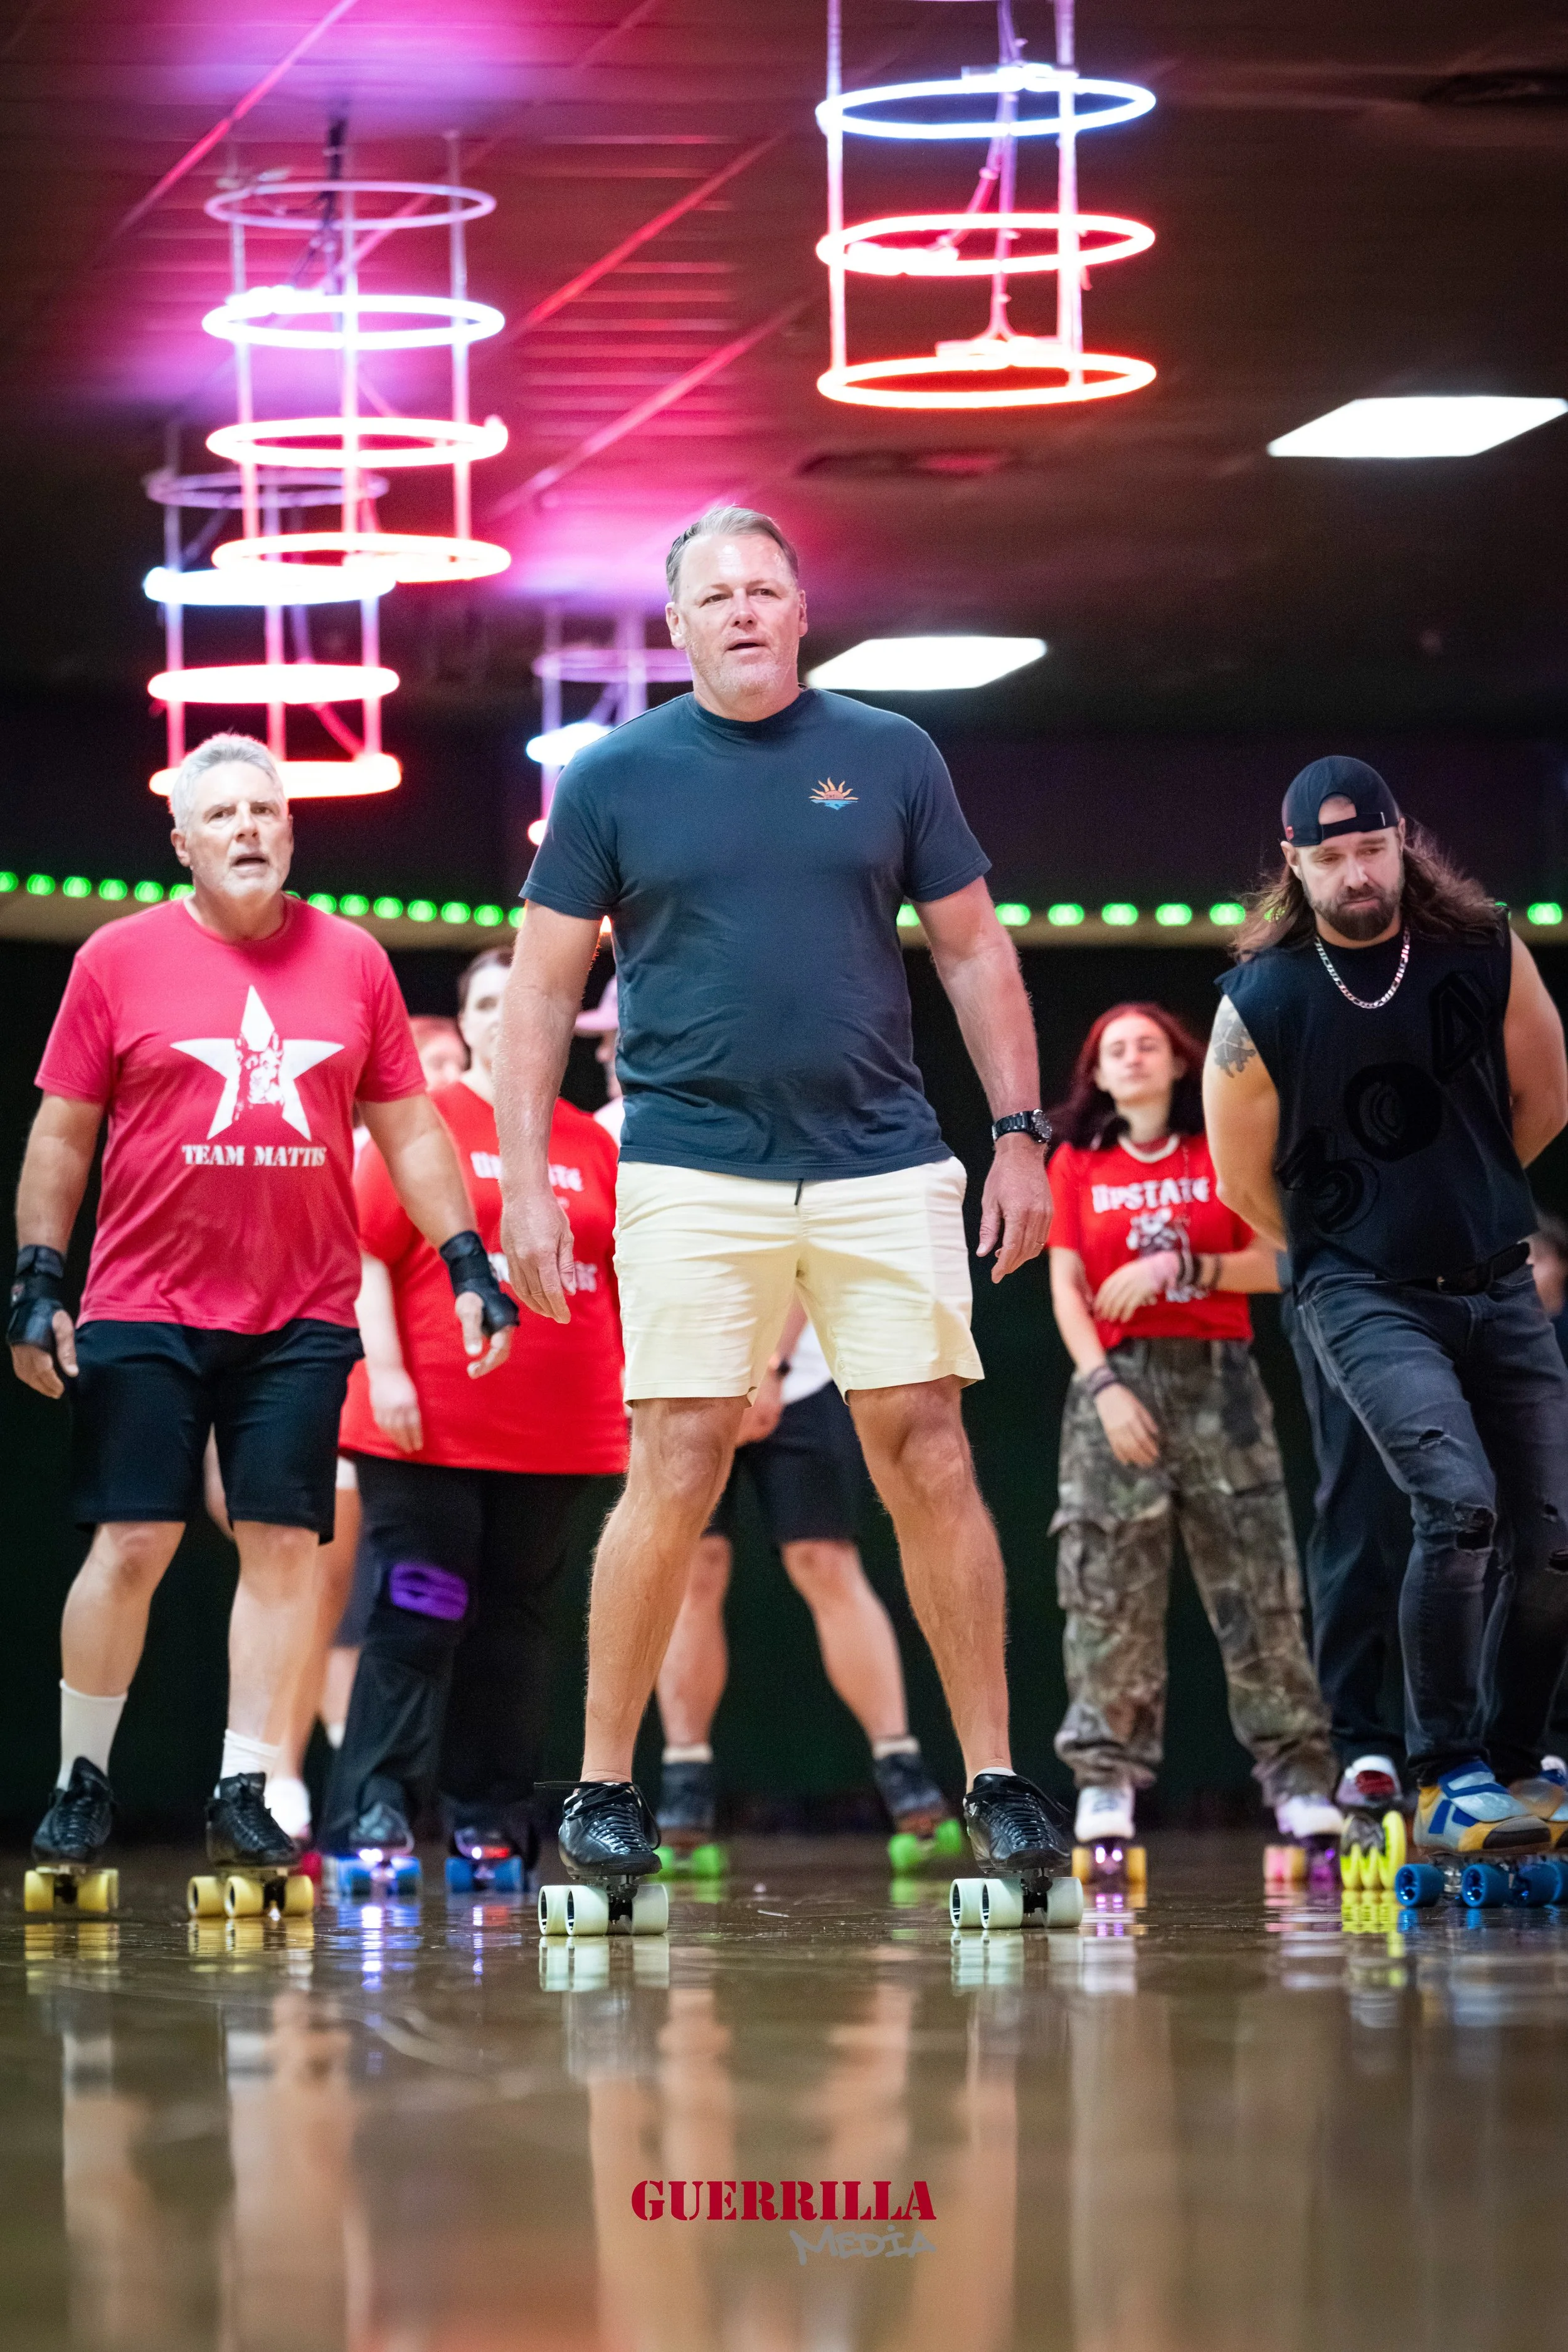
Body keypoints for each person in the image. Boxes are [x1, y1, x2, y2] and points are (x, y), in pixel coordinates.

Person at [495, 502, 1068, 1896]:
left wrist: (1017, 1135)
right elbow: (541, 987)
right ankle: (604, 1791)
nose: (744, 609)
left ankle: (992, 1780)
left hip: (881, 1157)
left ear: (801, 612)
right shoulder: (614, 776)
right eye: (716, 595)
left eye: (766, 588)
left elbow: (976, 953)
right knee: (676, 1454)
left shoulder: (889, 754)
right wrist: (519, 1178)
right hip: (690, 1164)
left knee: (926, 1445)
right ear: (679, 626)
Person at [9, 733, 517, 1885]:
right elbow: (61, 1134)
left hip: (300, 1315)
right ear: (183, 843)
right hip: (144, 1301)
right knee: (132, 1541)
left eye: (267, 811)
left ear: (290, 833)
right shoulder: (115, 960)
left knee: (282, 1545)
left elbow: (410, 1128)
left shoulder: (354, 963)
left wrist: (467, 1263)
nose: (249, 828)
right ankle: (80, 1785)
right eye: (224, 814)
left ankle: (248, 1786)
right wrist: (40, 1277)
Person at [1205, 755, 1568, 1862]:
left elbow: (1544, 1098)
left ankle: (1515, 1759)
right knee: (1453, 1506)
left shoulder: (1481, 948)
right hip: (1360, 1294)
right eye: (1331, 858)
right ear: (1294, 865)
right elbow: (1239, 1182)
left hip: (1498, 1282)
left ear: (1402, 838)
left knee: (1551, 1539)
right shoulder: (1261, 998)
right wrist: (1348, 1246)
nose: (1356, 874)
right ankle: (1441, 1765)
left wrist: (1458, 1198)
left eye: (1370, 849)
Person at [575, 979, 958, 1859]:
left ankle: (903, 1768)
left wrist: (769, 1369)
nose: (614, 1046)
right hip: (673, 1383)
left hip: (796, 1377)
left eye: (626, 1029)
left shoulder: (748, 1100)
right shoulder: (601, 1138)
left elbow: (796, 1248)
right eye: (604, 1036)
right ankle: (684, 1780)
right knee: (691, 1567)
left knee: (825, 1558)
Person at [320, 944, 627, 1872]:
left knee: (515, 1629)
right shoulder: (426, 1125)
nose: (508, 1013)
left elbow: (615, 1281)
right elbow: (368, 1251)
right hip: (429, 1426)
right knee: (419, 1609)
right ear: (465, 1025)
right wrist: (391, 1374)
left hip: (559, 1432)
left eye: (528, 996)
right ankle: (372, 1809)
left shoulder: (591, 1141)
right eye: (487, 999)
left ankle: (487, 1816)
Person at [1045, 1002, 1339, 1853]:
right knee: (1106, 1587)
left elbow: (1281, 1262)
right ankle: (1105, 1778)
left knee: (1258, 1580)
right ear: (1096, 1075)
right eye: (1114, 1051)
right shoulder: (1078, 1161)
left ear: (1180, 1063)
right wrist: (1100, 1383)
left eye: (1148, 1046)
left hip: (1221, 1381)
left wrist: (1182, 1263)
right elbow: (1066, 1287)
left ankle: (1299, 1776)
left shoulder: (1221, 1149)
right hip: (1116, 1385)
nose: (1132, 1059)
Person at [1278, 1263, 1412, 1820]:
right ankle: (1362, 1745)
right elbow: (1247, 1196)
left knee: (1484, 1512)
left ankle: (1500, 1745)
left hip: (1460, 1278)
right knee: (1359, 1511)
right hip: (1340, 1281)